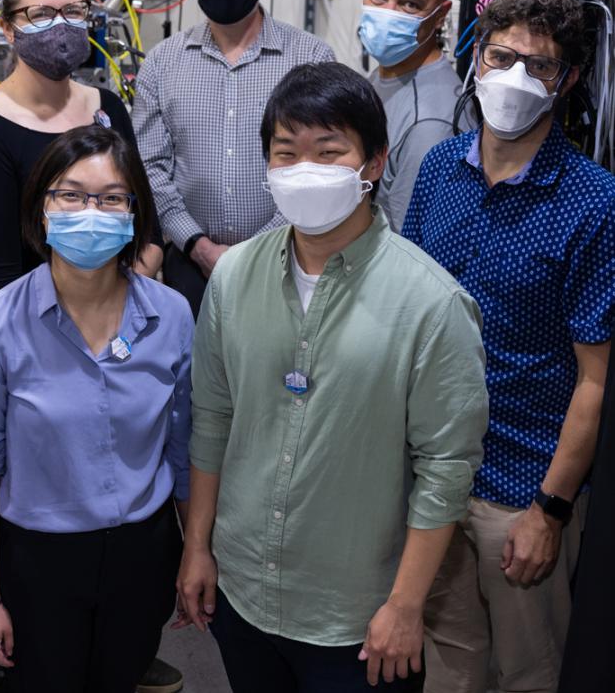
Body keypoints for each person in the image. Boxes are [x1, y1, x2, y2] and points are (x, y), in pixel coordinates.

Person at [176, 62, 488, 692]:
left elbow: (446, 468)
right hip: (243, 593)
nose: (304, 170)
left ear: (372, 163)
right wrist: (198, 546)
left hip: (359, 614)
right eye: (285, 153)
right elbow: (212, 418)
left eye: (328, 151)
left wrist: (404, 606)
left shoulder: (429, 302)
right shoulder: (234, 277)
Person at [402, 0, 615, 693]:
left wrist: (550, 511)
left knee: (528, 672)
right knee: (446, 661)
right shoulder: (439, 171)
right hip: (434, 475)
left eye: (540, 65)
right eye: (501, 57)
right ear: (476, 60)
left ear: (568, 80)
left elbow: (595, 380)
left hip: (520, 490)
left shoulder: (592, 203)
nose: (515, 78)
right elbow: (407, 310)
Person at [0, 125, 193, 693]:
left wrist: (196, 552)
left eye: (112, 197)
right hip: (39, 562)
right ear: (42, 208)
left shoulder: (171, 316)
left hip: (143, 553)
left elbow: (186, 449)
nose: (92, 210)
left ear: (134, 214)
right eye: (71, 194)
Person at [132, 0, 334, 317]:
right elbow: (151, 167)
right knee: (193, 374)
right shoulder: (161, 63)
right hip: (190, 263)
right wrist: (198, 246)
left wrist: (252, 250)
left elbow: (320, 165)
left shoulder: (311, 59)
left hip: (288, 259)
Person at [0, 0, 163, 302]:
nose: (61, 25)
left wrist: (113, 309)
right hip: (38, 331)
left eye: (72, 11)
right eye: (41, 14)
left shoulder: (108, 108)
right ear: (8, 28)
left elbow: (149, 236)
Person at [358, 0, 473, 232]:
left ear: (440, 15)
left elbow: (408, 248)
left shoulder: (431, 124)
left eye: (410, 4)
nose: (388, 13)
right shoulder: (390, 74)